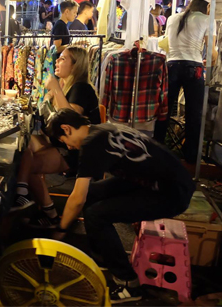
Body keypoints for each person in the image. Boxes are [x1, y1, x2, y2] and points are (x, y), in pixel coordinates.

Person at [46, 109, 195, 303]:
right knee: (93, 194)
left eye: (64, 140)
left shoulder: (92, 143)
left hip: (171, 193)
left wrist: (61, 228)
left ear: (66, 129)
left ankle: (128, 283)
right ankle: (103, 256)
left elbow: (77, 198)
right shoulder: (102, 129)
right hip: (160, 181)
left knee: (96, 214)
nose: (69, 146)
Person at [14, 46, 100, 222]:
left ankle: (48, 212)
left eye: (63, 59)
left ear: (75, 65)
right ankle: (24, 193)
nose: (57, 62)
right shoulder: (66, 86)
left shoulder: (81, 88)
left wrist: (55, 89)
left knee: (26, 164)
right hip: (58, 142)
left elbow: (71, 121)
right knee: (23, 144)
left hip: (74, 150)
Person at [162, 0, 215, 165]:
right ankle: (191, 156)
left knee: (165, 110)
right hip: (194, 68)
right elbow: (212, 53)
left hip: (172, 66)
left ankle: (159, 149)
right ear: (207, 6)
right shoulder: (208, 19)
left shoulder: (172, 18)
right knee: (194, 113)